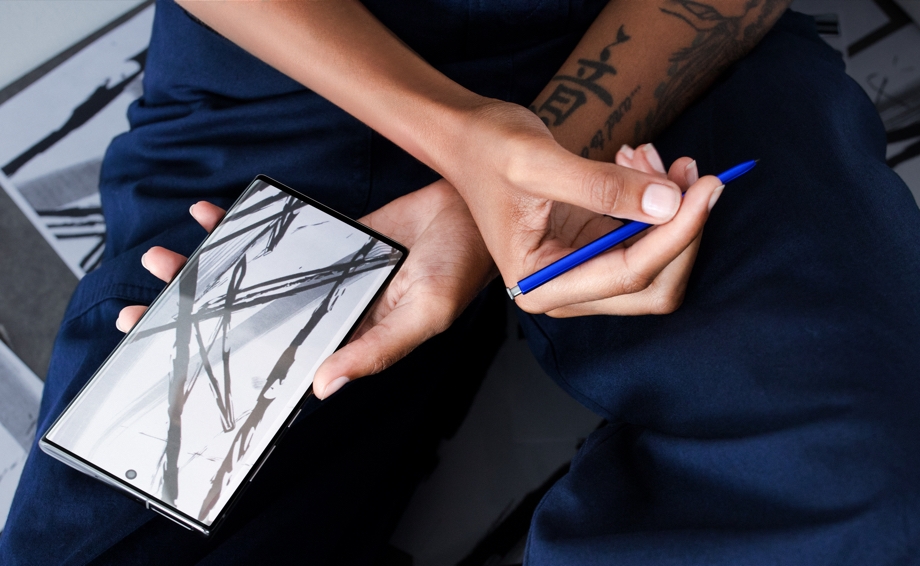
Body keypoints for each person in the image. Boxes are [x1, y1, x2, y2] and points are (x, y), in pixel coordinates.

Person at [3, 0, 920, 564]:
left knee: (873, 485)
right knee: (118, 517)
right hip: (309, 69)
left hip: (674, 64)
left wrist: (496, 197)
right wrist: (462, 152)